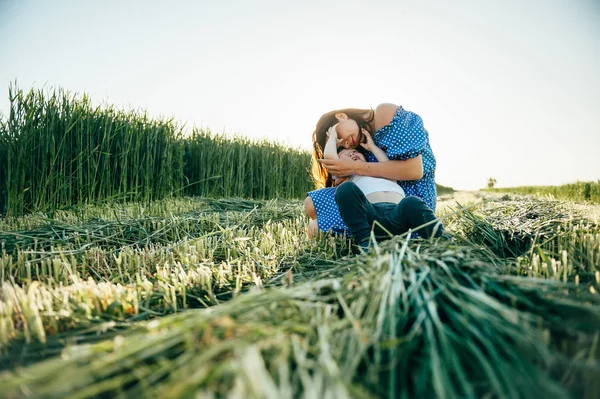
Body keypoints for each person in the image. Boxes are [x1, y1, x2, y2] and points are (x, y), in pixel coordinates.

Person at [305, 103, 438, 238]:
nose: (346, 143)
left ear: (341, 116)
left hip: (408, 199)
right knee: (311, 204)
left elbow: (414, 171)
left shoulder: (383, 114)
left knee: (317, 227)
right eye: (339, 144)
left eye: (338, 135)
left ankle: (368, 235)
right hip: (370, 203)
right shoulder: (359, 146)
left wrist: (355, 167)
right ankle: (368, 236)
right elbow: (332, 159)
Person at [319, 124, 443, 248]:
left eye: (354, 152)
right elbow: (331, 158)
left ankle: (441, 239)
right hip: (370, 215)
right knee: (344, 190)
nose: (352, 154)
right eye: (347, 155)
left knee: (412, 202)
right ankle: (366, 242)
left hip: (397, 214)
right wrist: (333, 136)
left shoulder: (381, 170)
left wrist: (372, 147)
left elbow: (388, 164)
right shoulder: (349, 176)